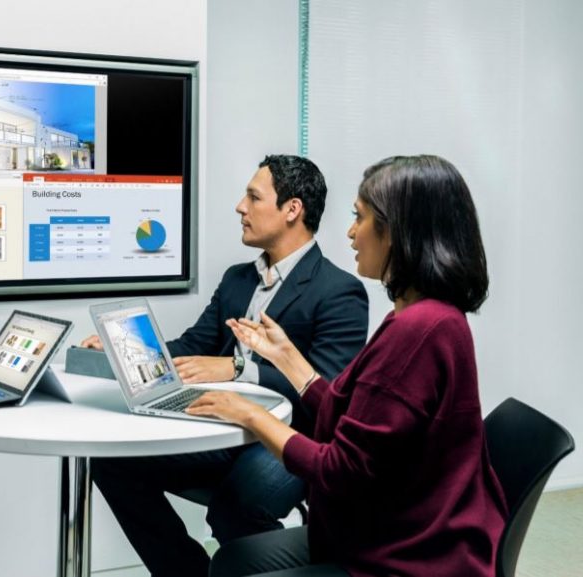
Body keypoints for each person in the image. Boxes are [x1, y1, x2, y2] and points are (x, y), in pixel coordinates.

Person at [190, 155, 508, 577]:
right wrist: (288, 358)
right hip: (390, 529)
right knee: (233, 559)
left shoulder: (417, 331)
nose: (350, 233)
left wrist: (249, 413)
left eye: (359, 218)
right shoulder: (429, 318)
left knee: (233, 559)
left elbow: (339, 469)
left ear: (398, 230)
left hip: (399, 556)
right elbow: (359, 416)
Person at [83, 155, 369, 577]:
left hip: (289, 436)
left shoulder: (340, 291)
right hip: (223, 430)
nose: (240, 207)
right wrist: (126, 350)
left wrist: (237, 369)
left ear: (293, 210)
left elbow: (325, 389)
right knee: (111, 462)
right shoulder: (238, 279)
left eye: (254, 197)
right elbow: (194, 347)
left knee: (238, 506)